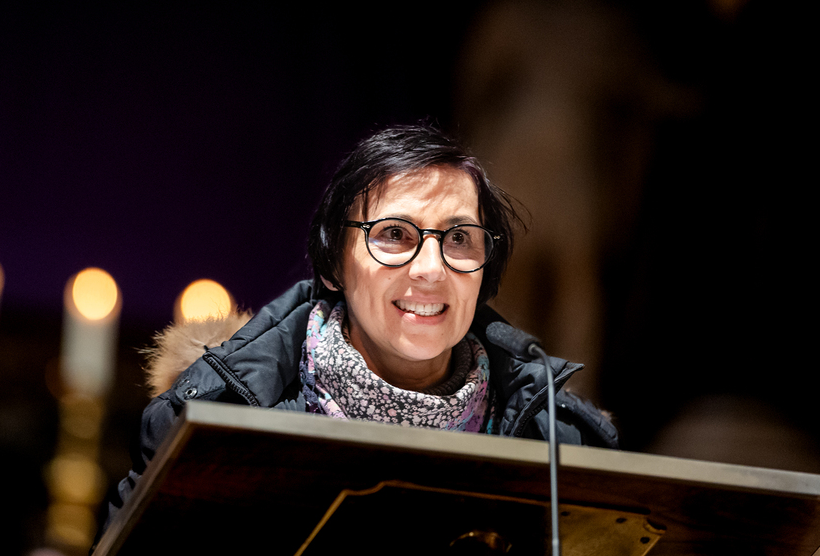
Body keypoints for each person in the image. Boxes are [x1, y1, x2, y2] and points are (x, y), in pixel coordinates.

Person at [107, 123, 617, 531]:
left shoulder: (560, 443)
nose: (431, 269)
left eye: (460, 238)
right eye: (394, 233)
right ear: (334, 265)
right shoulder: (213, 420)